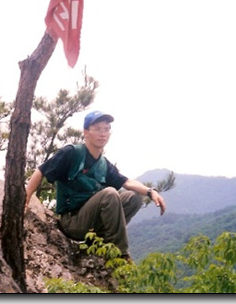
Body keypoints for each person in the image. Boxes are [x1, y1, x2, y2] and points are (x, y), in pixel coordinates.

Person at [25, 110, 166, 260]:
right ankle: (120, 254)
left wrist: (150, 192)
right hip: (73, 222)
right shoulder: (72, 153)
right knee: (110, 193)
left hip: (93, 223)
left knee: (135, 197)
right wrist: (25, 199)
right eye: (98, 129)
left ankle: (101, 240)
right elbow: (41, 171)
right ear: (86, 132)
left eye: (106, 129)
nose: (103, 133)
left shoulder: (103, 164)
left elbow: (127, 182)